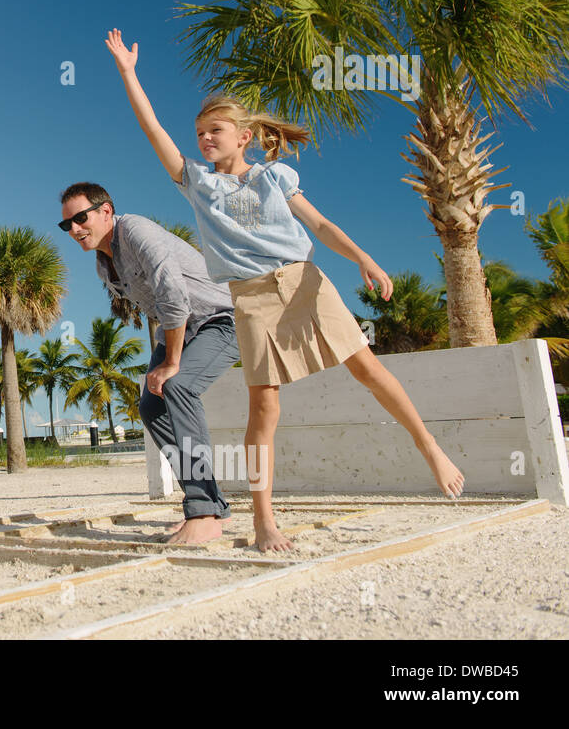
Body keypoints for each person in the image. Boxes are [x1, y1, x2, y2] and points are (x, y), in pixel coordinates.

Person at [104, 28, 465, 552]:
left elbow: (319, 226)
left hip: (303, 284)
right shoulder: (199, 185)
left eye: (216, 130)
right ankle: (263, 521)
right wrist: (129, 74)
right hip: (248, 300)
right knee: (265, 409)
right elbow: (153, 129)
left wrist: (363, 258)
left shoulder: (275, 178)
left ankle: (428, 445)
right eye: (201, 132)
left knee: (367, 368)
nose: (205, 139)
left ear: (243, 135)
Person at [59, 182, 239, 544]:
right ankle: (213, 505)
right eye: (67, 225)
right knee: (151, 407)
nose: (75, 230)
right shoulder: (103, 265)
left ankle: (202, 511)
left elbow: (173, 297)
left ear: (106, 211)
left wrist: (171, 362)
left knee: (179, 386)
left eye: (81, 218)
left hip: (222, 319)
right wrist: (169, 352)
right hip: (183, 330)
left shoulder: (137, 231)